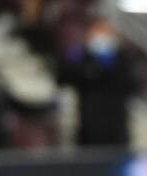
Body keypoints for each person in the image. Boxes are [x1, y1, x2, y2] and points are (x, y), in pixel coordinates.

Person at [56, 19, 138, 147]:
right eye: (98, 32)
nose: (101, 37)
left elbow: (132, 84)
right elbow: (64, 78)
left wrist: (111, 66)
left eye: (106, 33)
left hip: (116, 126)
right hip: (88, 125)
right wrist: (74, 59)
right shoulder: (82, 56)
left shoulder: (122, 58)